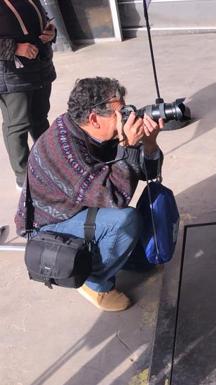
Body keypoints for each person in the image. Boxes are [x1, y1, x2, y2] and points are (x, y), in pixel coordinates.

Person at [14, 77, 164, 312]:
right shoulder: (63, 150)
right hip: (53, 223)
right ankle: (94, 282)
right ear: (94, 118)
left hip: (83, 202)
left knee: (144, 261)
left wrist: (149, 144)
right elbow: (115, 199)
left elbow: (148, 174)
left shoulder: (95, 133)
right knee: (125, 221)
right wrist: (130, 147)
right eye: (119, 113)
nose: (125, 117)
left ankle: (111, 256)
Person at [0, 0, 57, 190]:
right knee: (18, 124)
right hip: (11, 73)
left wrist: (51, 32)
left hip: (39, 66)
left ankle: (50, 164)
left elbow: (42, 17)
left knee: (40, 118)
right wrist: (15, 48)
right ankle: (23, 178)